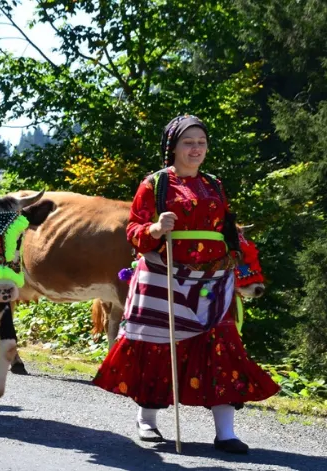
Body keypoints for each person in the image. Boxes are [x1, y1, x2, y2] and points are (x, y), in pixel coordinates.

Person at [92, 114, 279, 454]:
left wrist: (237, 263)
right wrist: (154, 229)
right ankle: (147, 422)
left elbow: (225, 228)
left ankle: (226, 433)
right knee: (157, 348)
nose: (196, 149)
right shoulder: (155, 184)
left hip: (212, 280)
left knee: (221, 346)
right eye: (188, 143)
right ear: (173, 147)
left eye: (201, 143)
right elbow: (134, 230)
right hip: (164, 277)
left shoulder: (214, 184)